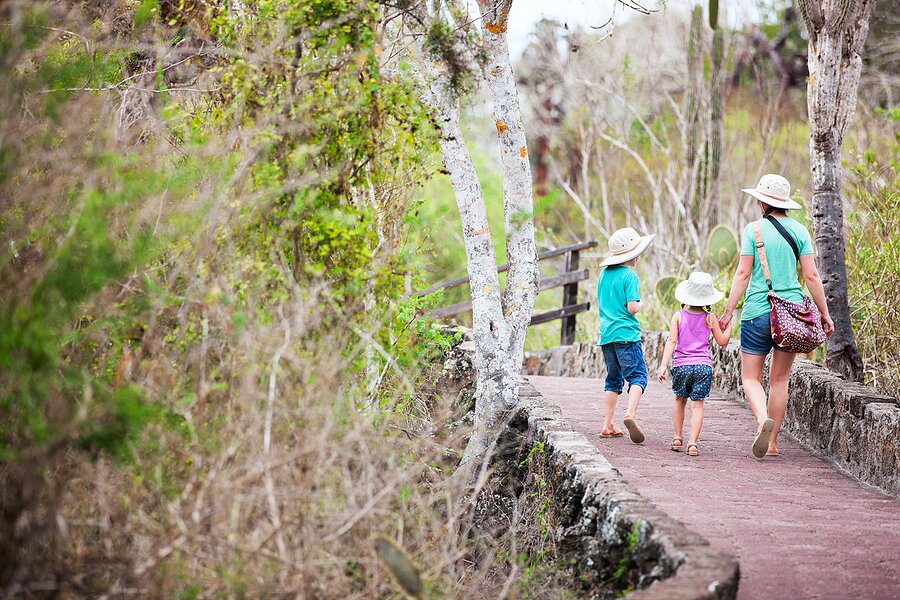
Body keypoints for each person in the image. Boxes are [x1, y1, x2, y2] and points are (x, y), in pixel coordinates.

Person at [719, 174, 834, 458]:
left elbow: (743, 274)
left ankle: (761, 421)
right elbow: (811, 275)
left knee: (750, 378)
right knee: (780, 379)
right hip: (792, 313)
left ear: (762, 201)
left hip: (758, 310)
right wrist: (824, 313)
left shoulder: (753, 230)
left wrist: (727, 311)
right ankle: (771, 444)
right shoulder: (800, 231)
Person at [656, 272, 733, 457]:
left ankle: (677, 437)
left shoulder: (678, 316)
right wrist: (729, 326)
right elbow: (722, 341)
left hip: (681, 366)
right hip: (702, 367)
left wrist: (663, 365)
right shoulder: (710, 318)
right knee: (697, 406)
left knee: (679, 400)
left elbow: (672, 341)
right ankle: (692, 443)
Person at [597, 227, 656, 443]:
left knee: (613, 380)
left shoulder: (603, 275)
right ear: (631, 254)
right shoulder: (630, 276)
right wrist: (641, 303)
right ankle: (630, 413)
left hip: (607, 335)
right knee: (637, 376)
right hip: (626, 334)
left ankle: (607, 424)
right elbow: (632, 307)